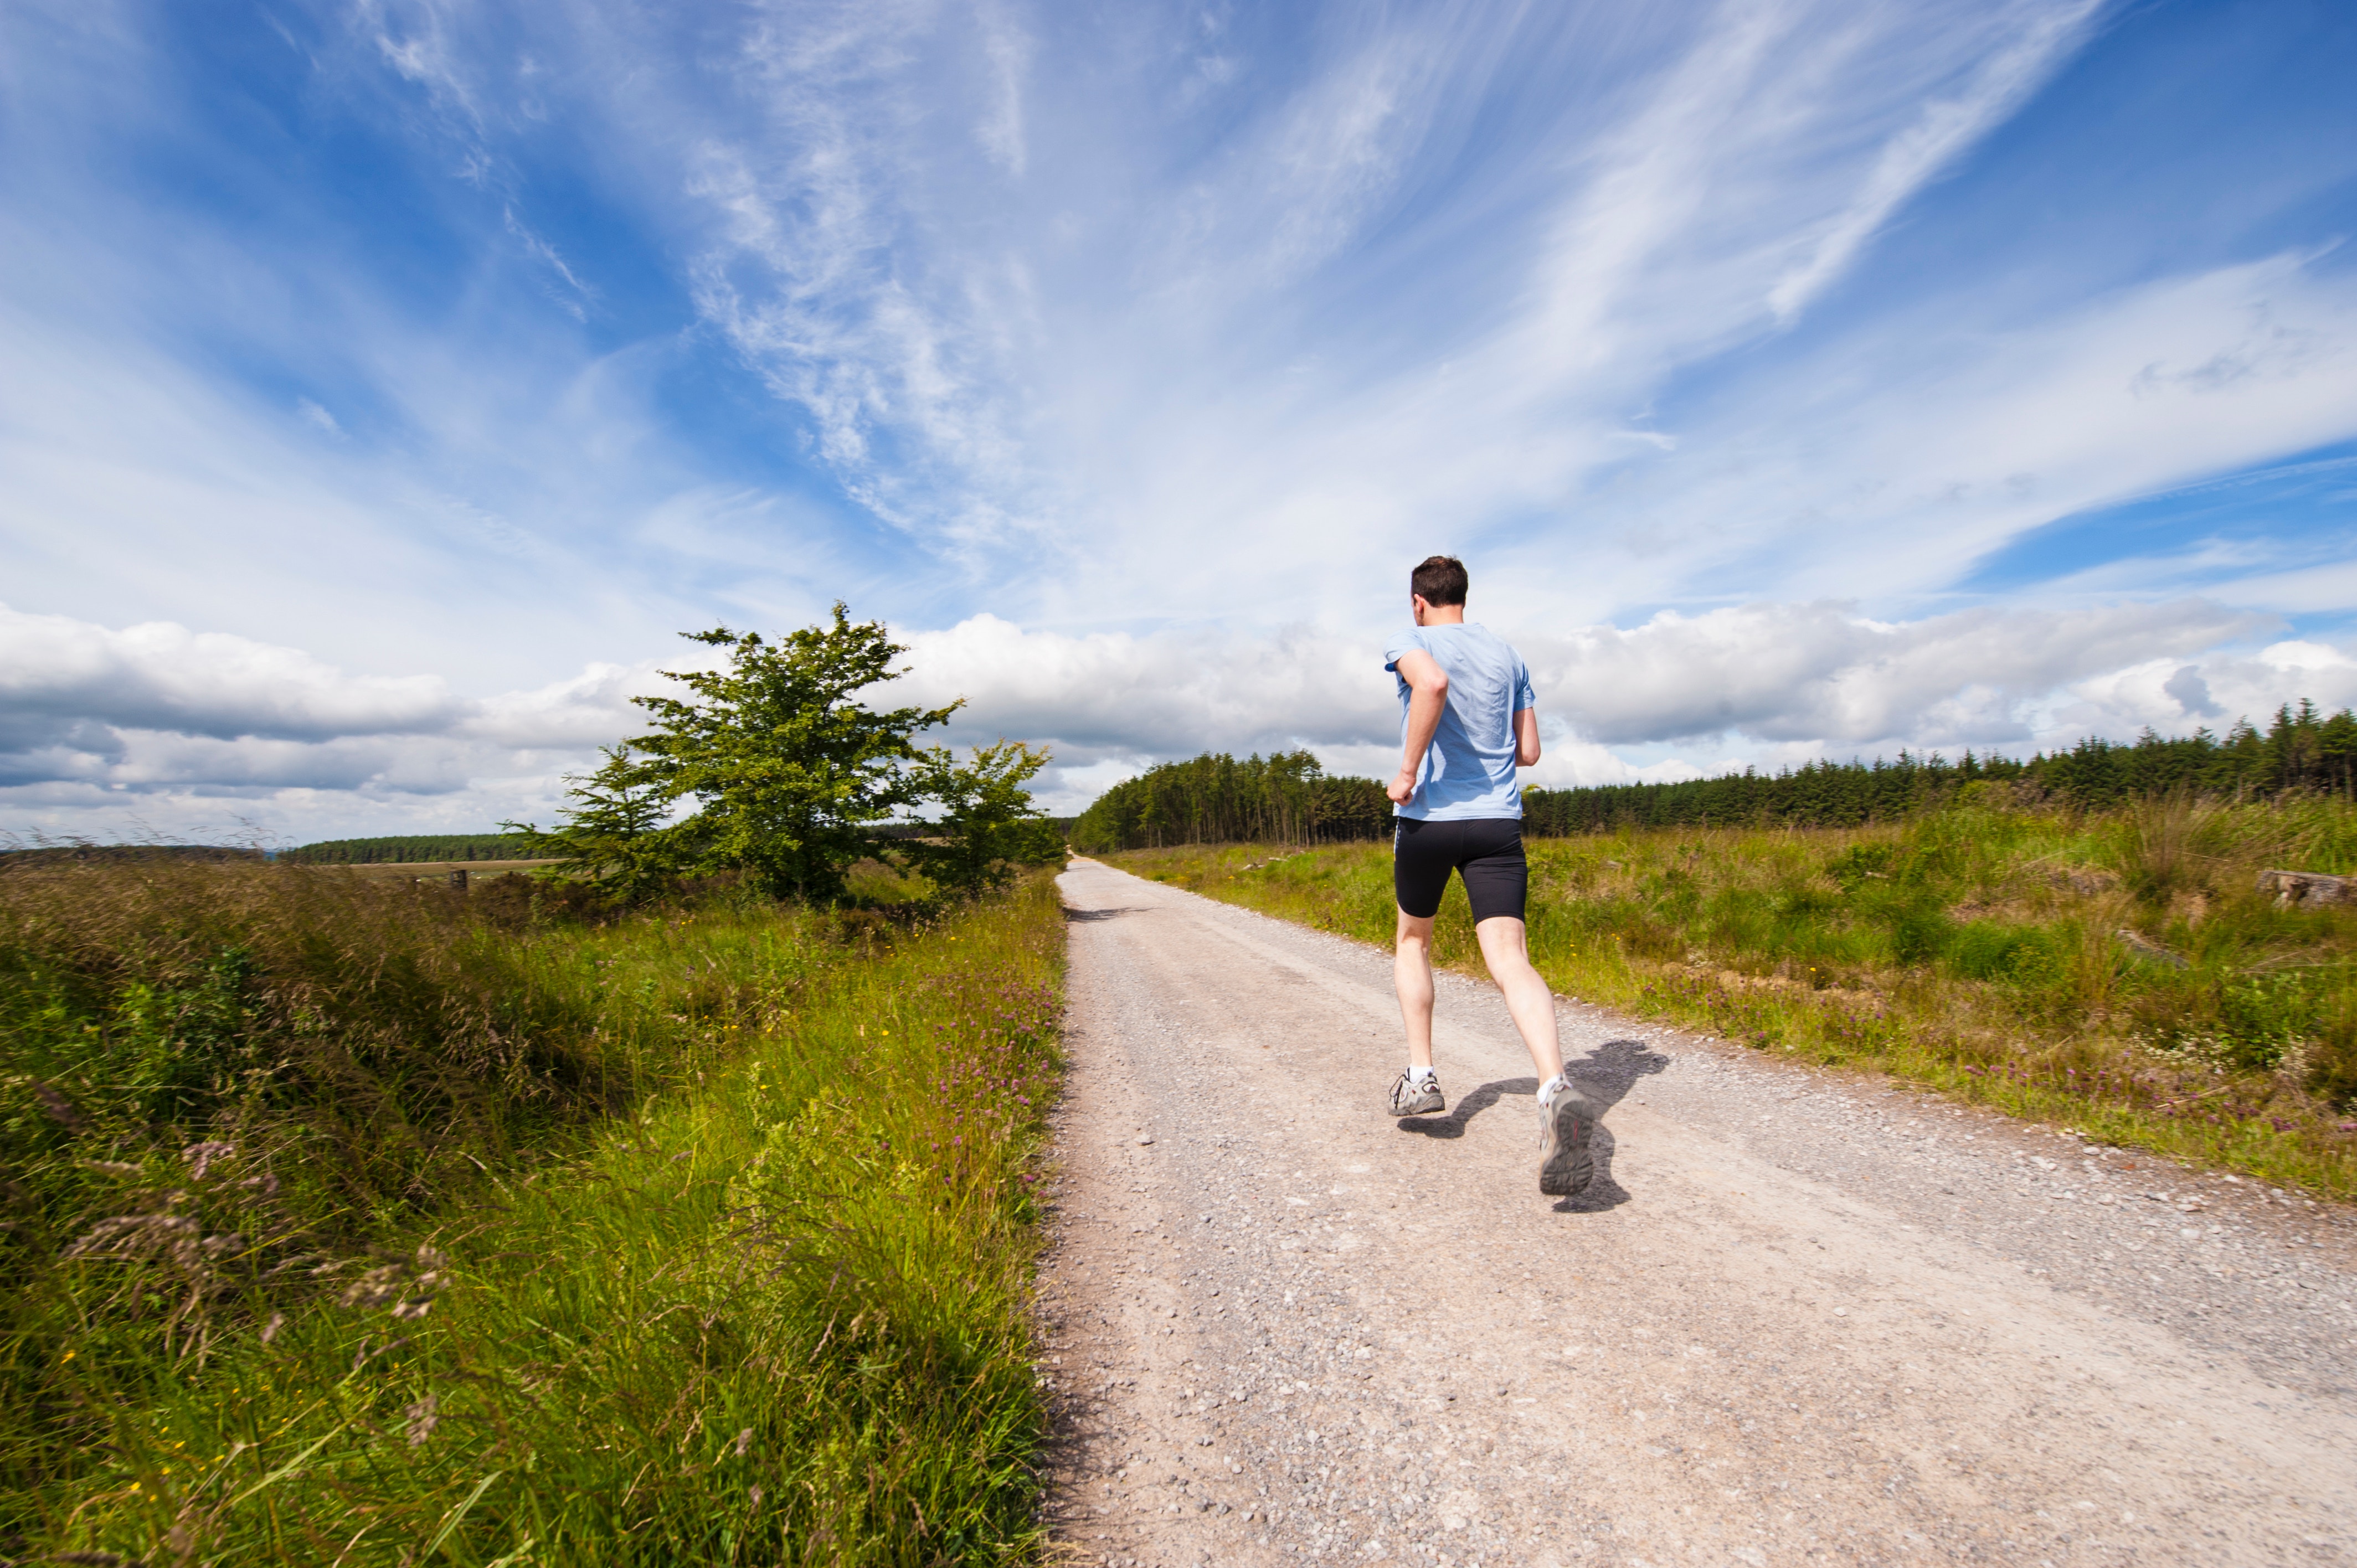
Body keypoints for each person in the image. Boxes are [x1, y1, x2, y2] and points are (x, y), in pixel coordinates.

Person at [1382, 555, 1599, 1196]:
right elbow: (1528, 751)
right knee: (1509, 959)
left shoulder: (1411, 640)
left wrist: (1405, 771)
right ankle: (1554, 1086)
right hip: (1498, 824)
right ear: (1463, 597)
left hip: (1429, 821)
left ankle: (1421, 1077)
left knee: (1413, 940)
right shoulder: (1508, 655)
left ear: (1418, 601)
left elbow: (1431, 686)